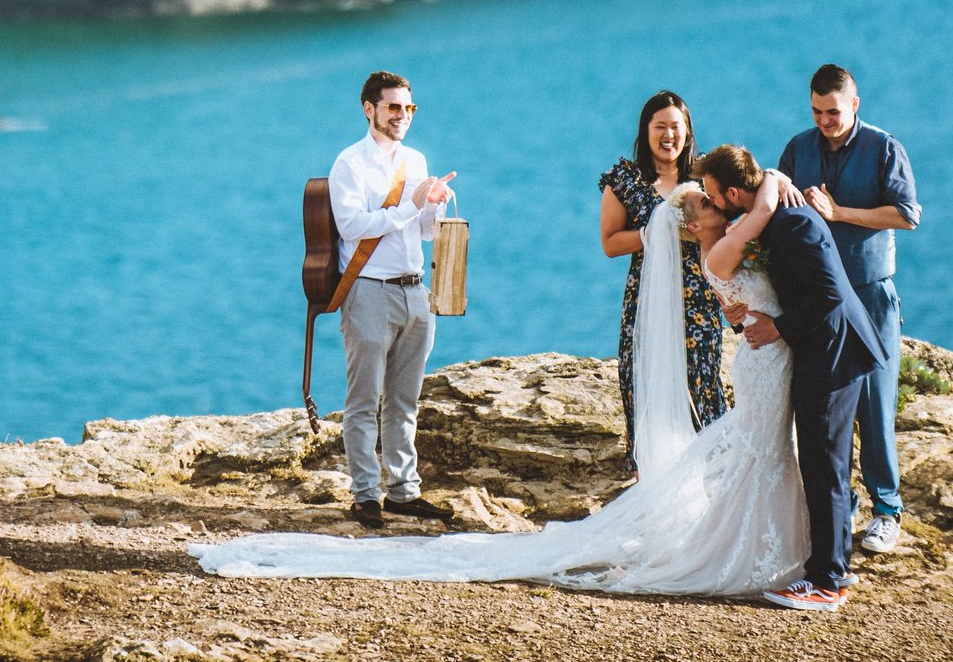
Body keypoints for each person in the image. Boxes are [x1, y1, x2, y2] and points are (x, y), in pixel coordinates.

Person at [194, 172, 811, 596]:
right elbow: (752, 224)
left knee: (763, 451)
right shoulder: (723, 247)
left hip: (763, 357)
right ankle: (369, 494)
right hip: (764, 360)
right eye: (705, 203)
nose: (711, 207)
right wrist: (775, 192)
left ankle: (761, 543)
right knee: (759, 449)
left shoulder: (722, 246)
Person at [699, 142, 885, 612]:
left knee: (824, 465)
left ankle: (827, 580)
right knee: (825, 464)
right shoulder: (776, 219)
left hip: (833, 352)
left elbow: (827, 299)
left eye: (713, 195)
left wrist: (777, 326)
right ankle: (832, 565)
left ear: (737, 194)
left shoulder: (795, 224)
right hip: (820, 351)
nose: (713, 203)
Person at [777, 63, 919, 556]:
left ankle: (887, 510)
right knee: (818, 409)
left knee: (874, 405)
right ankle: (844, 501)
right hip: (816, 300)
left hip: (870, 292)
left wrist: (839, 214)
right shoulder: (798, 149)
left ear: (854, 105)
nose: (824, 121)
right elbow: (778, 213)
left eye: (833, 111)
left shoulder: (884, 148)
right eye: (816, 111)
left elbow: (906, 214)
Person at [327, 70, 457, 530]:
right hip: (368, 291)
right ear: (370, 109)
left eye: (409, 108)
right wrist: (410, 205)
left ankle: (403, 492)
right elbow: (353, 226)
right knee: (364, 400)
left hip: (414, 290)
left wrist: (434, 206)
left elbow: (420, 232)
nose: (403, 115)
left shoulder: (417, 161)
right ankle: (366, 495)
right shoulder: (350, 164)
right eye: (394, 107)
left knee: (405, 400)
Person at [598, 90, 726, 471]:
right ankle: (651, 481)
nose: (668, 135)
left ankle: (713, 477)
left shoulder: (706, 175)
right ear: (646, 131)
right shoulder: (625, 179)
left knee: (702, 382)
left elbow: (739, 211)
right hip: (647, 300)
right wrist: (661, 228)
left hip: (699, 299)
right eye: (660, 127)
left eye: (676, 127)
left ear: (687, 132)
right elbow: (609, 243)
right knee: (644, 381)